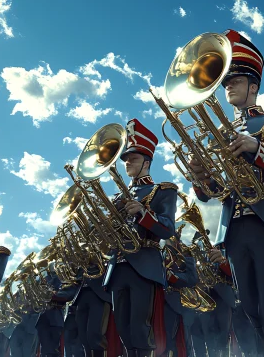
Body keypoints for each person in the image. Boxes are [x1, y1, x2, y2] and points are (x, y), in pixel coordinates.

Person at [189, 29, 264, 357]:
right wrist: (200, 177)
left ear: (253, 86)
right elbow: (212, 194)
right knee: (248, 309)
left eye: (236, 80)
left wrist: (258, 150)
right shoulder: (217, 135)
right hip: (233, 229)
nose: (228, 86)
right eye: (225, 82)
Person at [103, 118, 177, 357]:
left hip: (144, 265)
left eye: (133, 159)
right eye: (125, 159)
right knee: (123, 331)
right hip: (118, 266)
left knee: (140, 329)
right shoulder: (117, 198)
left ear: (147, 162)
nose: (127, 163)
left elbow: (168, 229)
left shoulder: (162, 191)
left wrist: (144, 213)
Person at [162, 234, 198, 357]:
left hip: (178, 304)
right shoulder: (158, 252)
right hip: (158, 301)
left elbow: (192, 278)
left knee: (181, 342)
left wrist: (174, 277)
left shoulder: (185, 255)